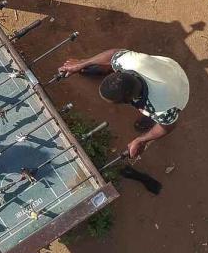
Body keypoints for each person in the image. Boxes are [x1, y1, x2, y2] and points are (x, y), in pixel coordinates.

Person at [59, 48, 189, 182]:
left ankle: (150, 119)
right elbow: (113, 54)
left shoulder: (162, 107)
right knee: (111, 63)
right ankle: (104, 69)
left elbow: (168, 126)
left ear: (129, 101)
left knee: (155, 117)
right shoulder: (131, 62)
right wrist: (82, 63)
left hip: (179, 85)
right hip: (166, 66)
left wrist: (142, 140)